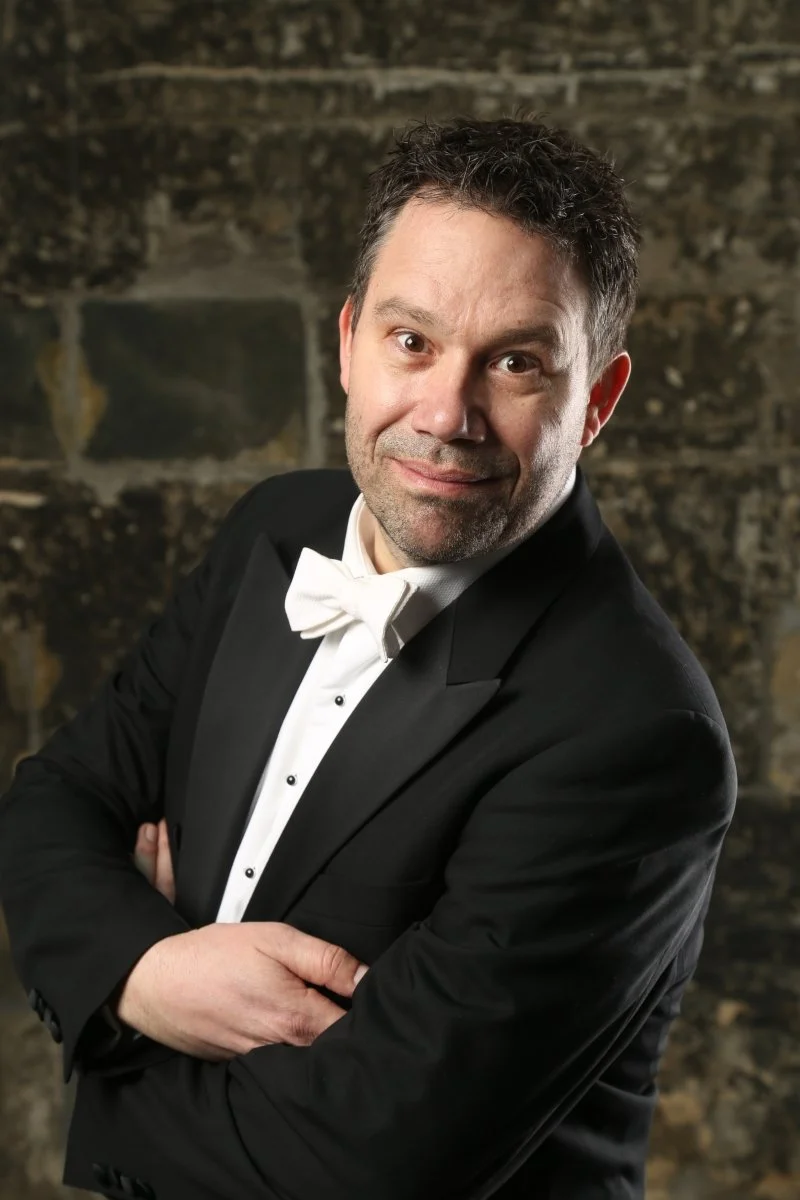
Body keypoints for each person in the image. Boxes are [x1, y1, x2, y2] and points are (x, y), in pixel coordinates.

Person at [0, 117, 737, 1200]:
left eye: (517, 362)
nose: (446, 413)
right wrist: (150, 972)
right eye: (411, 341)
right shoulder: (271, 531)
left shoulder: (635, 731)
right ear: (348, 342)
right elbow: (53, 806)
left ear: (596, 401)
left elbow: (368, 1161)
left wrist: (116, 1025)